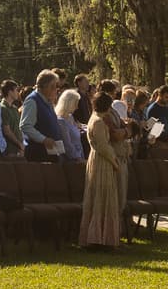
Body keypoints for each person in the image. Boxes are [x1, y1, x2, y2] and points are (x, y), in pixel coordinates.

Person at [81, 81, 131, 250]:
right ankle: (101, 238)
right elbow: (103, 146)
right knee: (104, 199)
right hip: (102, 162)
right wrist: (115, 161)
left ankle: (104, 237)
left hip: (99, 160)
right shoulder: (99, 122)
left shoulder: (95, 119)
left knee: (101, 199)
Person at [20, 71, 63, 161]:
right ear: (45, 86)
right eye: (53, 86)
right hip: (38, 154)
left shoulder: (47, 101)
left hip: (50, 153)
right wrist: (44, 139)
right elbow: (25, 126)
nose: (56, 89)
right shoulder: (32, 101)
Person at [55, 88, 86, 161]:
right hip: (72, 160)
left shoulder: (70, 117)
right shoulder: (61, 121)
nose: (77, 107)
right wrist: (78, 158)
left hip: (79, 155)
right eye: (76, 104)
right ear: (69, 103)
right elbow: (67, 144)